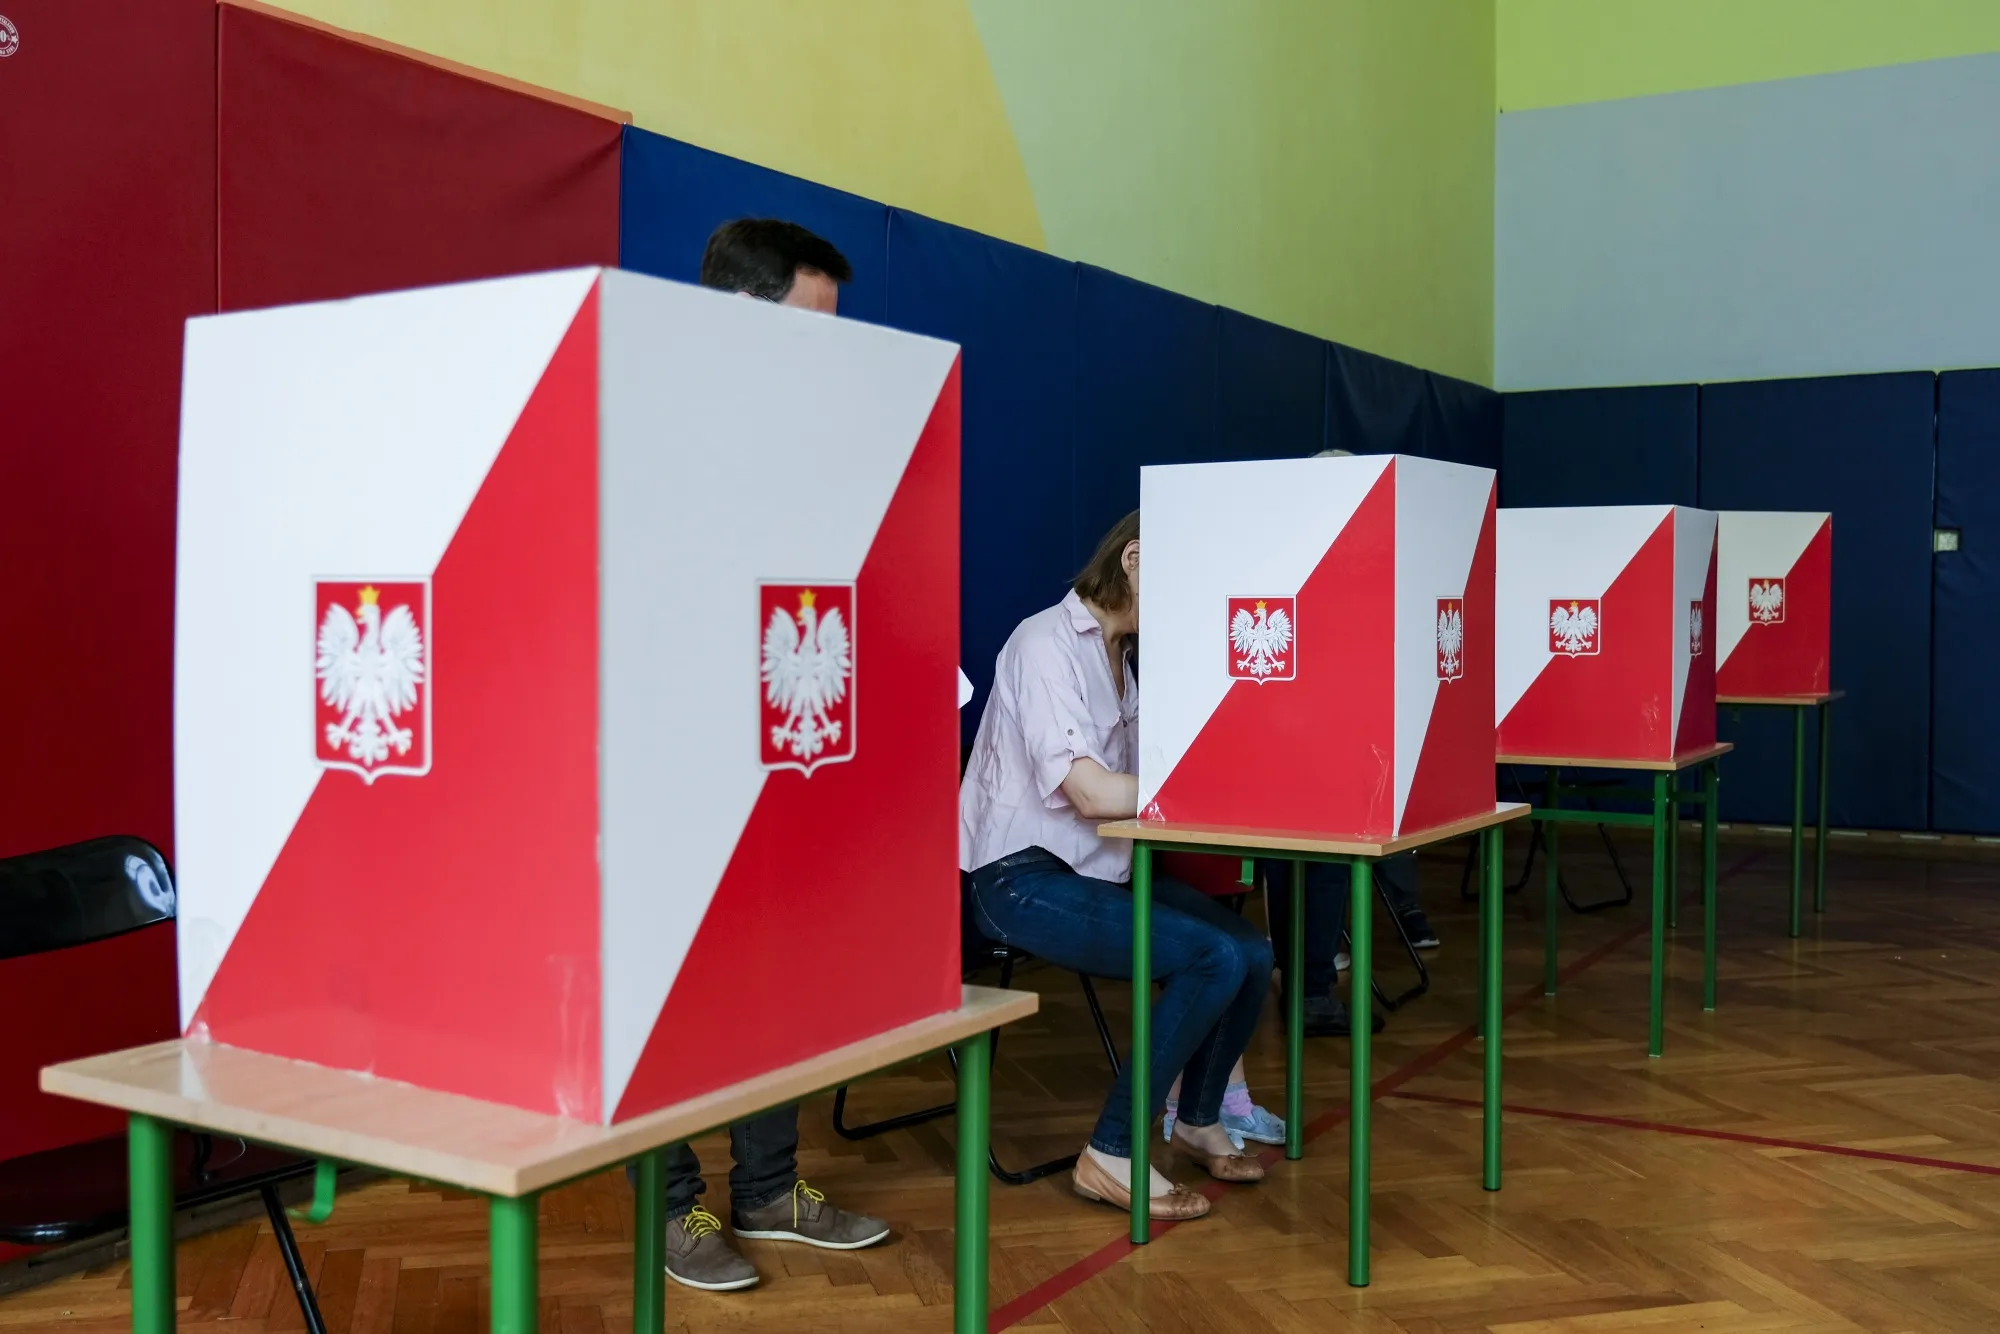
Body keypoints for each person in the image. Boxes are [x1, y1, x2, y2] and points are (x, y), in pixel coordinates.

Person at [643, 217, 888, 1294]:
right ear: (738, 312)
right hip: (667, 765)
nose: (829, 354)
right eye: (810, 325)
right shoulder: (648, 423)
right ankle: (670, 1204)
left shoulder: (810, 445)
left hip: (783, 756)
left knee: (776, 973)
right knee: (670, 994)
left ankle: (769, 1187)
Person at [961, 511, 1273, 1221]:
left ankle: (1195, 1117)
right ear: (1132, 559)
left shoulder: (1120, 658)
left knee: (1251, 950)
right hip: (1018, 878)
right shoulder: (1044, 644)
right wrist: (1213, 782)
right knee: (1209, 958)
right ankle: (1111, 1152)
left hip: (1095, 870)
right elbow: (1092, 792)